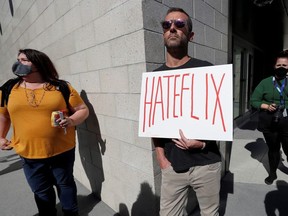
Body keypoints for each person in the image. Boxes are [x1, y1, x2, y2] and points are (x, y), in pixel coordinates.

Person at [0, 49, 89, 216]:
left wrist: (71, 120)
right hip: (29, 153)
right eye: (18, 59)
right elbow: (3, 115)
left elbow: (82, 110)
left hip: (62, 150)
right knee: (41, 191)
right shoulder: (7, 89)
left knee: (65, 185)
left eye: (24, 60)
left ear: (38, 63)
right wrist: (1, 137)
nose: (19, 63)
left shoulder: (61, 87)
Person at [152, 8, 222, 216]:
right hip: (172, 165)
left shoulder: (207, 71)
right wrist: (161, 159)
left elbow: (219, 119)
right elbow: (153, 123)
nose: (172, 28)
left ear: (190, 35)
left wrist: (202, 143)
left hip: (206, 163)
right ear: (164, 33)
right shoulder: (155, 78)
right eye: (167, 25)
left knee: (210, 213)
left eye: (179, 24)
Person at [250, 50, 288, 185]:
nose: (281, 68)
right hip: (269, 121)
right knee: (273, 149)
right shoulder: (265, 82)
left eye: (285, 65)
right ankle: (272, 173)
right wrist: (266, 106)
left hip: (286, 121)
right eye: (279, 65)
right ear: (274, 66)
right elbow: (253, 100)